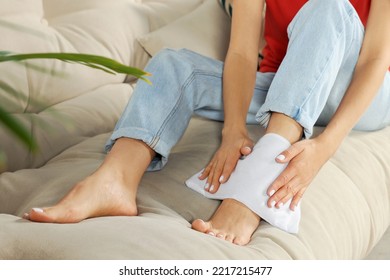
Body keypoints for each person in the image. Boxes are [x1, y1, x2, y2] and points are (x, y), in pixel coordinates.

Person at [24, 0, 390, 246]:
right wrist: (233, 130)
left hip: (362, 91)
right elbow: (243, 53)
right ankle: (113, 182)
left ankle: (255, 188)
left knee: (328, 4)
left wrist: (326, 147)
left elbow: (374, 59)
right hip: (286, 82)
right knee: (172, 65)